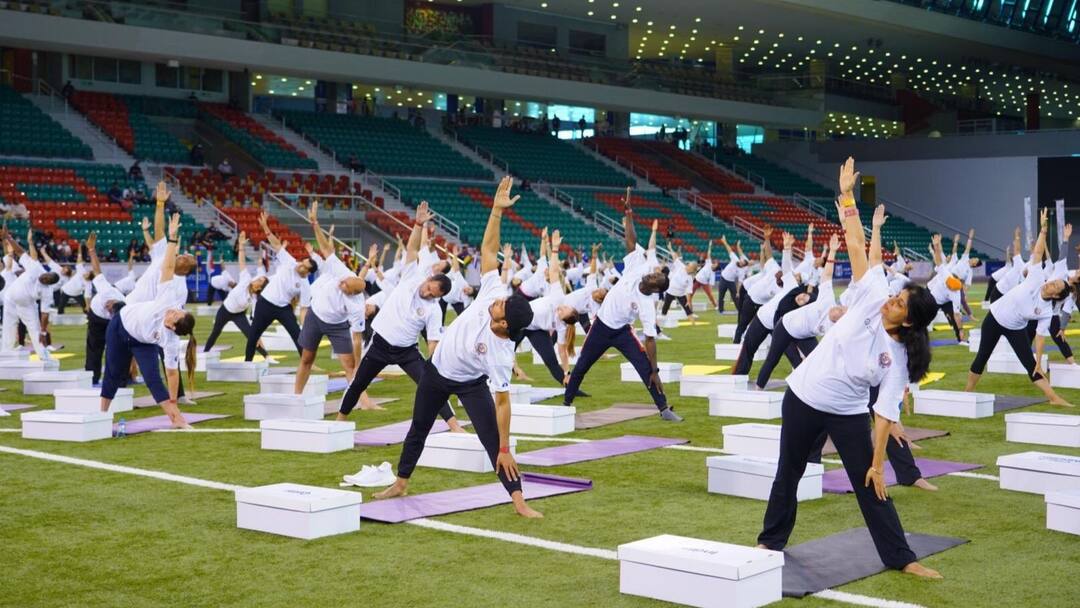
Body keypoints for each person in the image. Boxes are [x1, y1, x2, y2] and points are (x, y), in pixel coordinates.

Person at [756, 157, 942, 579]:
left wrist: (878, 463)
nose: (890, 301)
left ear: (909, 321)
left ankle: (901, 557)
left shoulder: (896, 361)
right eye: (896, 296)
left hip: (845, 411)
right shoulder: (873, 291)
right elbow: (857, 245)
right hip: (802, 396)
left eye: (899, 304)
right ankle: (770, 541)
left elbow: (884, 417)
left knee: (869, 484)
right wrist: (847, 197)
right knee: (790, 470)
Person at [373, 177, 541, 519]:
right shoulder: (495, 293)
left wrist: (507, 447)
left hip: (469, 383)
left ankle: (519, 500)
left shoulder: (501, 352)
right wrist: (496, 211)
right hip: (436, 373)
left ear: (505, 324)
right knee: (418, 427)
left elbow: (503, 402)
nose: (495, 303)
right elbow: (489, 251)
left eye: (500, 308)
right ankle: (401, 482)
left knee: (493, 441)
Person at [337, 202, 464, 431]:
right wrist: (417, 224)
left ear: (438, 297)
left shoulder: (434, 309)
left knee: (430, 385)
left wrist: (436, 367)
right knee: (358, 383)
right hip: (380, 344)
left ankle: (455, 425)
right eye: (428, 287)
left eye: (432, 294)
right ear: (428, 280)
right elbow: (413, 249)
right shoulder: (411, 276)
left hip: (407, 351)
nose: (426, 292)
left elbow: (433, 342)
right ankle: (340, 420)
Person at [562, 187, 680, 422]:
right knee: (583, 365)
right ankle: (566, 403)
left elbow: (650, 339)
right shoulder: (639, 267)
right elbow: (630, 241)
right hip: (601, 326)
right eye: (653, 274)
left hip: (623, 332)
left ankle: (664, 408)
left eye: (655, 278)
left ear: (656, 289)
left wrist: (655, 370)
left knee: (644, 367)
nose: (651, 275)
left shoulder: (647, 305)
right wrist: (628, 214)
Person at [965, 207, 1074, 406]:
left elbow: (1040, 338)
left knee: (1032, 365)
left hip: (1016, 328)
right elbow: (1038, 252)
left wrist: (1040, 361)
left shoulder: (1047, 311)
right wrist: (1043, 231)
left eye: (1055, 286)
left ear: (1056, 295)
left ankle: (1054, 398)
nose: (1051, 283)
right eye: (1054, 281)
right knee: (982, 357)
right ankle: (966, 393)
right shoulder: (1036, 277)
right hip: (995, 319)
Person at [99, 213, 197, 429]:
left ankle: (177, 420)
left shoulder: (169, 342)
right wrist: (172, 238)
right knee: (114, 374)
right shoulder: (167, 299)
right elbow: (168, 268)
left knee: (153, 379)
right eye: (177, 311)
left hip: (142, 341)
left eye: (175, 315)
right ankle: (102, 414)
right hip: (120, 326)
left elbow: (171, 373)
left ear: (172, 326)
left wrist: (174, 403)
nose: (173, 311)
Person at [293, 203, 368, 394]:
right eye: (344, 282)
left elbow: (357, 338)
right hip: (316, 315)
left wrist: (358, 363)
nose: (341, 285)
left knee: (350, 366)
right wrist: (315, 223)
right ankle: (296, 395)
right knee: (306, 358)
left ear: (352, 294)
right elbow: (326, 249)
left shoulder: (356, 306)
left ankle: (361, 401)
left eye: (345, 288)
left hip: (337, 325)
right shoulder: (344, 272)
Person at [754, 234, 841, 391]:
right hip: (785, 326)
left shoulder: (832, 329)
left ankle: (808, 389)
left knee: (816, 361)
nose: (838, 311)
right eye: (840, 308)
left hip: (804, 334)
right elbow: (826, 274)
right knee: (773, 358)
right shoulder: (827, 298)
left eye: (840, 315)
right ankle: (759, 388)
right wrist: (832, 251)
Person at [243, 212, 316, 361]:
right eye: (303, 261)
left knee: (297, 335)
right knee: (253, 335)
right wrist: (265, 227)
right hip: (266, 303)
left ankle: (306, 364)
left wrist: (304, 326)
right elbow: (276, 244)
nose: (301, 264)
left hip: (283, 309)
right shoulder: (290, 262)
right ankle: (247, 363)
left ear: (307, 273)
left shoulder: (304, 284)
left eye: (304, 266)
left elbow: (303, 308)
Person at [201, 233, 271, 359]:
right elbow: (242, 262)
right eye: (258, 278)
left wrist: (257, 332)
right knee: (215, 332)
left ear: (259, 288)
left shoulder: (255, 299)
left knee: (251, 335)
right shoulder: (246, 279)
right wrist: (242, 246)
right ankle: (205, 353)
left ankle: (266, 356)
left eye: (259, 281)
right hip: (225, 310)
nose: (256, 280)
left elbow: (255, 319)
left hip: (239, 314)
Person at [2, 227, 59, 361]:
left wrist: (44, 331)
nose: (43, 278)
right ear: (46, 272)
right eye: (46, 276)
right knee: (8, 326)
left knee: (35, 331)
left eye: (46, 280)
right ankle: (5, 353)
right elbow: (20, 252)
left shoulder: (47, 292)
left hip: (27, 306)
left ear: (49, 283)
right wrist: (9, 238)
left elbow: (45, 313)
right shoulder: (37, 268)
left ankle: (44, 357)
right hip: (10, 298)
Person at [84, 233, 125, 385]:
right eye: (109, 306)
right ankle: (92, 377)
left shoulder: (124, 307)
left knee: (116, 348)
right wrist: (91, 250)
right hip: (95, 316)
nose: (108, 308)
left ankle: (118, 379)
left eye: (110, 309)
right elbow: (96, 269)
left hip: (113, 322)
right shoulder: (107, 290)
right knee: (94, 346)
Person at [734, 227, 778, 343]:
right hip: (751, 298)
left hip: (762, 304)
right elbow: (768, 255)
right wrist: (767, 239)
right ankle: (736, 342)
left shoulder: (782, 288)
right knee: (743, 322)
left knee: (770, 325)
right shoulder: (773, 269)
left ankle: (777, 344)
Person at [690, 241, 719, 310]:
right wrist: (710, 245)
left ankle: (715, 306)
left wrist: (709, 291)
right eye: (714, 263)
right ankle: (687, 303)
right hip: (697, 279)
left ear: (715, 268)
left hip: (704, 283)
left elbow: (711, 285)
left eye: (715, 265)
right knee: (691, 292)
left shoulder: (713, 275)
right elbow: (709, 253)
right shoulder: (709, 263)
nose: (714, 264)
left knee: (710, 295)